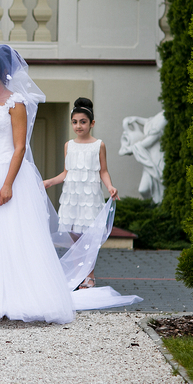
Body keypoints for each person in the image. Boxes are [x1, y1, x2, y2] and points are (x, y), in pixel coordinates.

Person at [0, 45, 141, 322]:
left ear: (3, 72)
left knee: (8, 237)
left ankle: (6, 300)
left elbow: (19, 147)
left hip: (9, 173)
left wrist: (7, 184)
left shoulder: (16, 102)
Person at [43, 97, 119, 290]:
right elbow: (66, 172)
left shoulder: (99, 145)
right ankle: (79, 275)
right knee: (75, 238)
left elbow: (103, 171)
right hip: (72, 197)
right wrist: (50, 181)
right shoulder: (68, 145)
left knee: (89, 237)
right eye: (75, 122)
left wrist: (110, 187)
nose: (78, 126)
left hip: (89, 197)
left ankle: (89, 276)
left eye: (83, 122)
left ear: (92, 123)